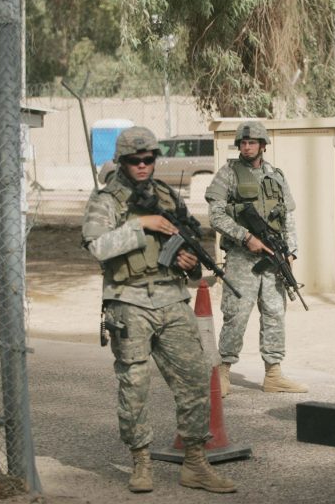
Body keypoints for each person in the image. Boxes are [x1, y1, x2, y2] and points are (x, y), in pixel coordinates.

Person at [81, 126, 236, 494]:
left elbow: (191, 244)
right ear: (121, 162)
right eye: (134, 160)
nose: (142, 166)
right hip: (129, 300)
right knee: (134, 383)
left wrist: (186, 261)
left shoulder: (166, 195)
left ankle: (195, 463)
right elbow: (97, 246)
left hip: (170, 297)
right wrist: (140, 224)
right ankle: (141, 462)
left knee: (196, 376)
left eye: (148, 159)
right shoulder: (107, 200)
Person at [205, 120, 308, 397]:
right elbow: (215, 216)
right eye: (243, 142)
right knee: (236, 315)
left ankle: (273, 373)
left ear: (263, 145)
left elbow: (288, 216)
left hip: (273, 257)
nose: (247, 147)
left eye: (252, 142)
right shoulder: (227, 174)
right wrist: (245, 237)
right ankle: (223, 371)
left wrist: (291, 251)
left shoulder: (276, 175)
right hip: (241, 257)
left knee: (275, 314)